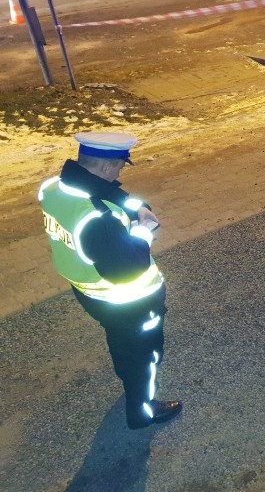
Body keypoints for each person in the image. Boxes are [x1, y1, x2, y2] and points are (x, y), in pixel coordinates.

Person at [38, 132, 182, 430]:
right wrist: (144, 230)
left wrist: (133, 206)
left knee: (120, 342)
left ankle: (129, 376)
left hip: (89, 292)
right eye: (119, 166)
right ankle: (142, 411)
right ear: (105, 167)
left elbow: (100, 191)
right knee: (144, 355)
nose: (120, 171)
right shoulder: (97, 219)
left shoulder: (53, 189)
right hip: (129, 302)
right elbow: (127, 268)